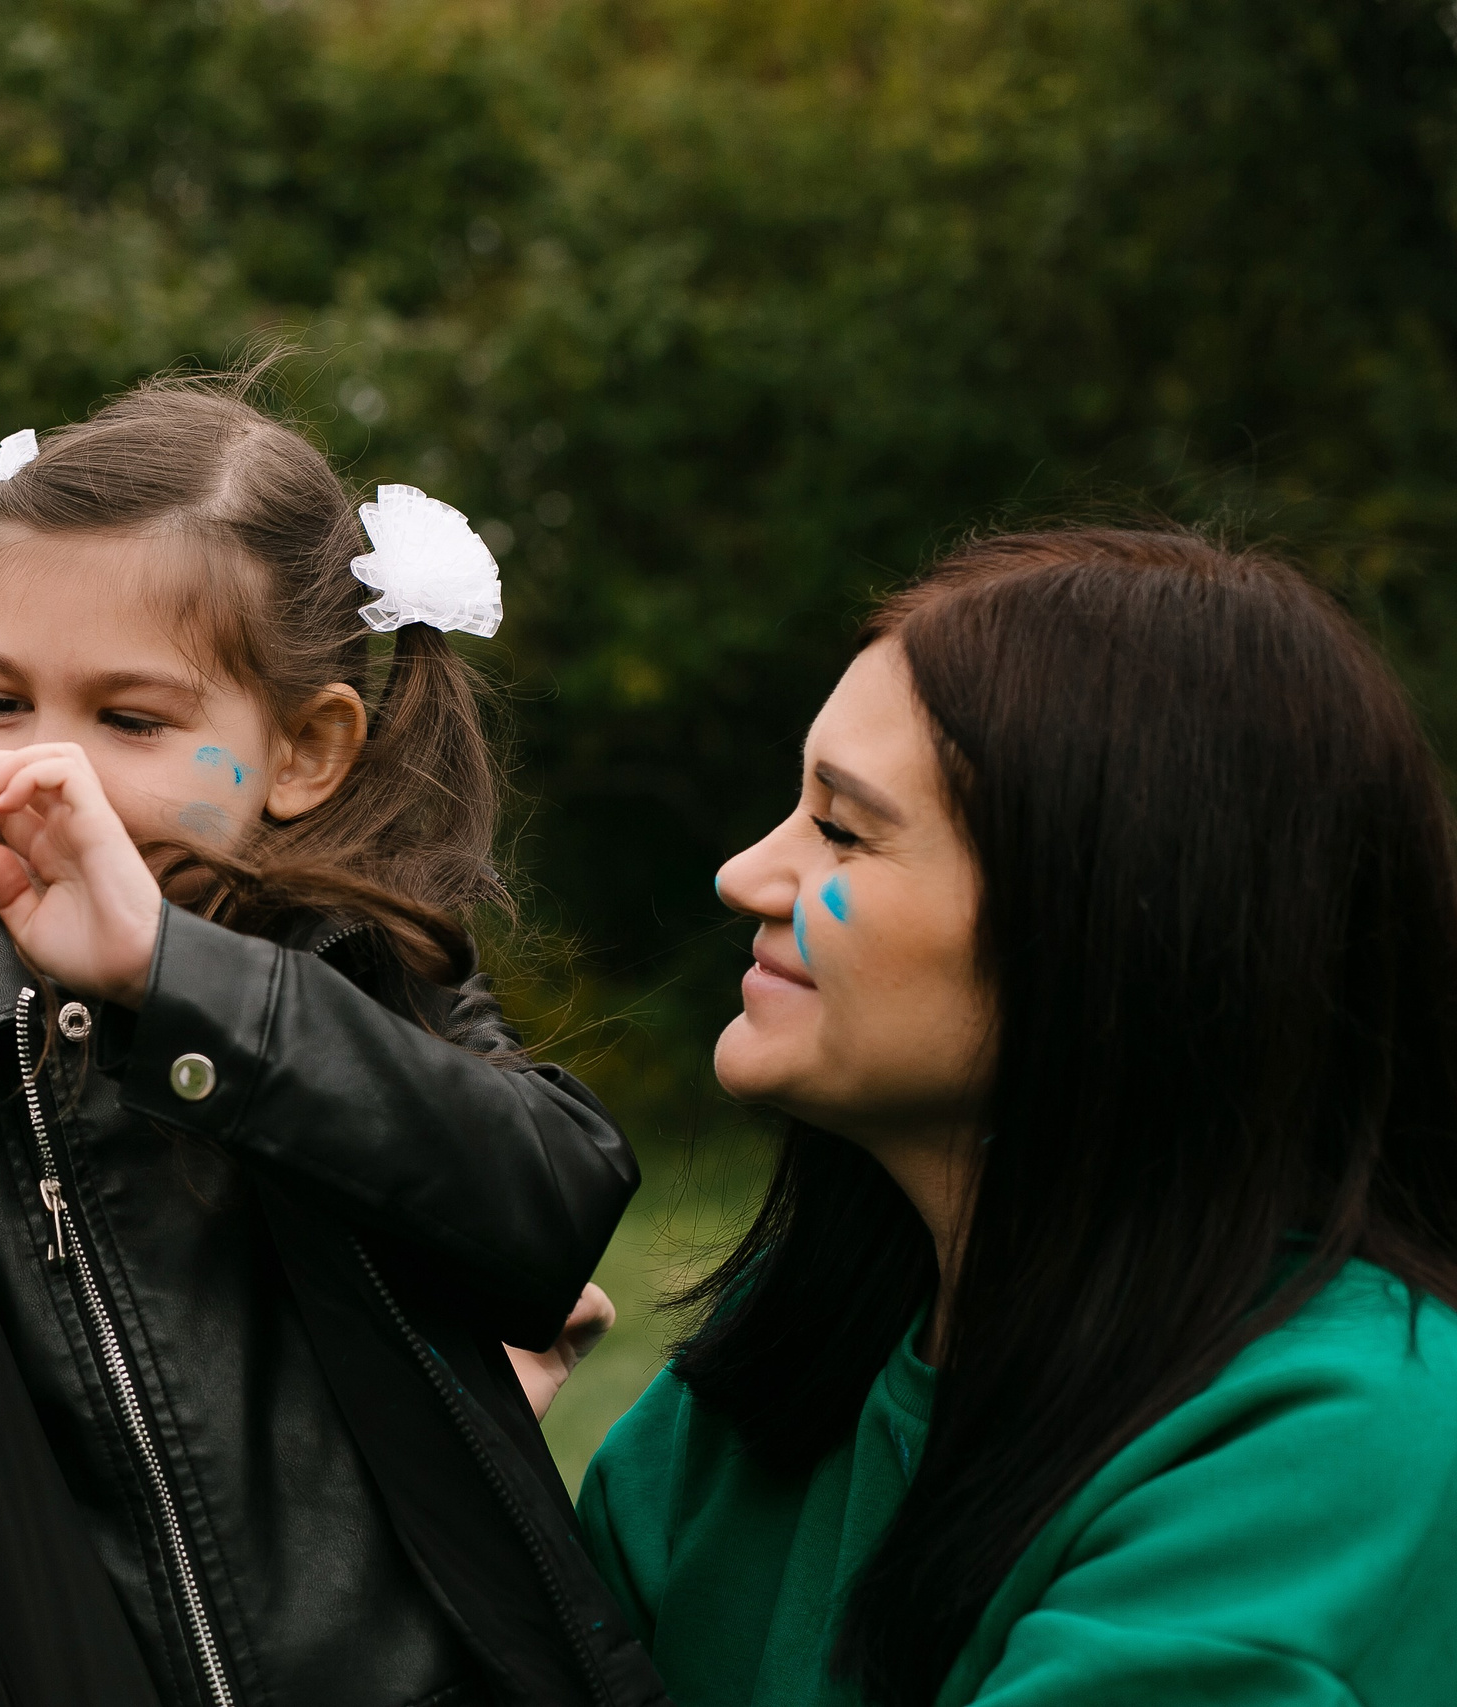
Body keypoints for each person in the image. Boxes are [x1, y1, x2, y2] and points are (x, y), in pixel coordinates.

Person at [0, 376, 668, 1707]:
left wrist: (179, 983)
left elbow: (557, 1196)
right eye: (1, 701)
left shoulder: (344, 972)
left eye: (130, 720)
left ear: (304, 751)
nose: (43, 770)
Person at [577, 528, 1457, 1706]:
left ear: (1103, 930)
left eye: (841, 829)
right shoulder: (787, 1366)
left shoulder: (1338, 1441)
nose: (744, 873)